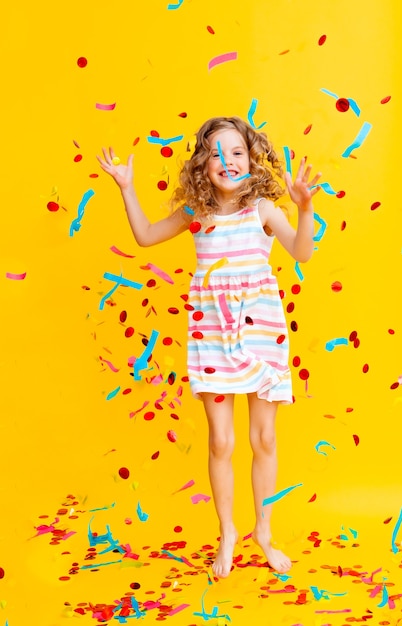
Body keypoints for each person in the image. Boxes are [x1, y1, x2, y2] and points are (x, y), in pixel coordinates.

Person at [97, 116, 321, 578]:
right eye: (216, 153)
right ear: (202, 162)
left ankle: (264, 531)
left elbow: (301, 252)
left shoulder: (261, 209)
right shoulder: (195, 214)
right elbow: (145, 237)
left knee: (265, 438)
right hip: (212, 333)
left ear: (251, 157)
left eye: (236, 151)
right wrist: (126, 187)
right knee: (221, 440)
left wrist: (303, 209)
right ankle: (228, 533)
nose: (227, 160)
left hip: (260, 330)